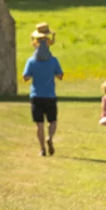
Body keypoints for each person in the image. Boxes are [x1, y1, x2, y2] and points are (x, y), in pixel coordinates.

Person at [21, 22, 64, 156]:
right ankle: (50, 137)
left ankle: (42, 149)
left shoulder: (31, 61)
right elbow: (60, 76)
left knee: (39, 124)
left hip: (36, 95)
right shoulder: (53, 60)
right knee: (53, 121)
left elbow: (26, 77)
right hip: (50, 95)